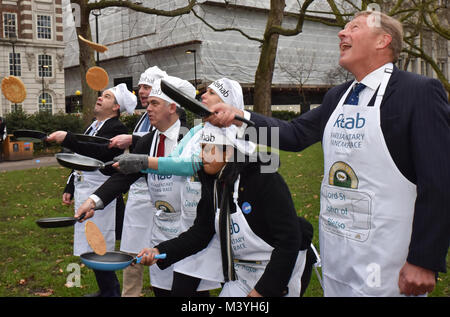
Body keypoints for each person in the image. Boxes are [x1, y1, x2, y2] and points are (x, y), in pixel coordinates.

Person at [205, 10, 450, 297]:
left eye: (354, 27)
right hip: (338, 257)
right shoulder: (338, 96)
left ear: (383, 40)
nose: (341, 33)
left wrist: (424, 259)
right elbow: (295, 136)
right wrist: (240, 119)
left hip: (388, 263)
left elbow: (439, 181)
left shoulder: (418, 91)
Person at [137, 122, 308, 297]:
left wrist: (263, 291)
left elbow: (288, 239)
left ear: (228, 152)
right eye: (201, 148)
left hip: (280, 270)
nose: (201, 155)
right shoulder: (214, 182)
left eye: (208, 149)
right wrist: (158, 251)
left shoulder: (263, 178)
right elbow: (200, 233)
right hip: (241, 274)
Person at [75, 76, 201, 297]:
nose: (148, 108)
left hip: (191, 230)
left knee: (190, 293)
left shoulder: (191, 138)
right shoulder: (147, 141)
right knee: (162, 289)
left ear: (172, 108)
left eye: (154, 103)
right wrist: (94, 201)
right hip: (161, 229)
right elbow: (123, 177)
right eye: (148, 103)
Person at [47, 83, 135, 297]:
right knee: (88, 243)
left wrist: (68, 138)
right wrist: (70, 185)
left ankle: (111, 291)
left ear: (116, 107)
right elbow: (80, 159)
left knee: (98, 244)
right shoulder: (94, 125)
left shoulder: (117, 129)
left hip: (101, 194)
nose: (99, 98)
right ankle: (107, 289)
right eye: (101, 95)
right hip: (83, 190)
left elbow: (100, 153)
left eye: (106, 96)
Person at [108, 66, 167, 297]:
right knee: (131, 249)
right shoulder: (143, 117)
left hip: (161, 193)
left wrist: (131, 139)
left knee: (161, 250)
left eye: (147, 87)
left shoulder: (167, 116)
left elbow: (170, 137)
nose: (141, 92)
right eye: (141, 87)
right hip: (137, 192)